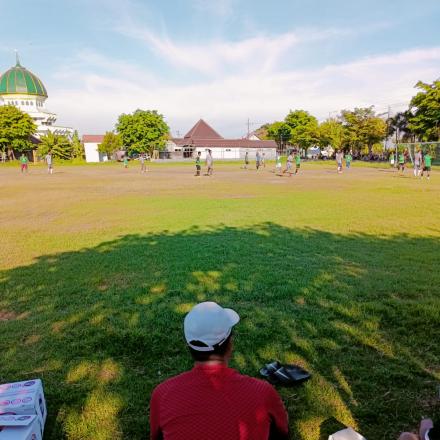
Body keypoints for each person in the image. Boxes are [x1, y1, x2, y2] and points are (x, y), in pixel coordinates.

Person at [149, 302, 289, 440]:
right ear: (230, 345)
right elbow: (282, 431)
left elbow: (156, 436)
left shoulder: (162, 394)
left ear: (189, 346)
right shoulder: (262, 392)